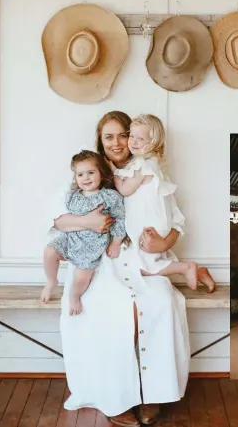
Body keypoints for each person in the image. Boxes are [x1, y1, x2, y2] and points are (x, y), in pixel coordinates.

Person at [51, 111, 191, 427]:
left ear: (134, 137)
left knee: (160, 301)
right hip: (102, 260)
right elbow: (57, 216)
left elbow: (177, 220)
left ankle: (153, 392)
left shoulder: (148, 170)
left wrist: (164, 241)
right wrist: (88, 221)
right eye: (108, 136)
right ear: (100, 141)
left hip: (143, 259)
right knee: (109, 308)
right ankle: (114, 397)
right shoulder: (88, 171)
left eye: (122, 135)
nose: (117, 142)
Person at [114, 114, 215, 292]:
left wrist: (112, 172)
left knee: (141, 267)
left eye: (140, 138)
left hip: (149, 224)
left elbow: (124, 190)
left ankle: (186, 268)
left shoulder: (143, 165)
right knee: (155, 262)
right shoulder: (152, 164)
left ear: (153, 142)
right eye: (131, 136)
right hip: (157, 222)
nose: (133, 142)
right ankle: (200, 273)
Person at [42, 150, 126, 315]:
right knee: (49, 252)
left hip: (92, 244)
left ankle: (75, 296)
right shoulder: (72, 196)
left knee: (81, 278)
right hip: (71, 238)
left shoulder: (109, 197)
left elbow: (120, 219)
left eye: (91, 173)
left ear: (100, 173)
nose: (86, 178)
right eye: (80, 174)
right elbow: (61, 219)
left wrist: (116, 242)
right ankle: (51, 281)